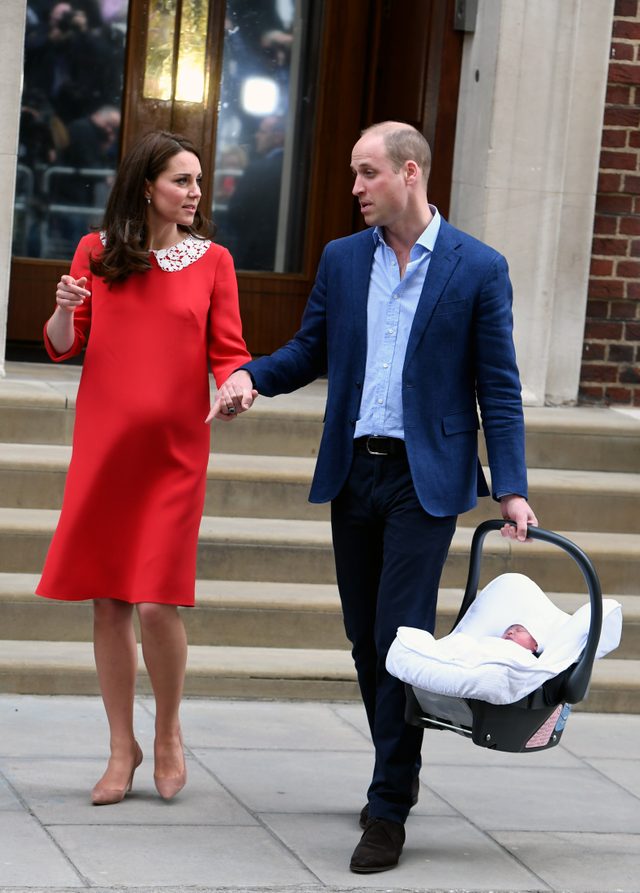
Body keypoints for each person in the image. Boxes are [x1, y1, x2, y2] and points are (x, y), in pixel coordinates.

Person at [209, 121, 538, 873]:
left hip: (425, 482)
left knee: (402, 642)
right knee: (367, 638)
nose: (354, 187)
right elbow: (309, 350)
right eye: (355, 174)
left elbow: (500, 386)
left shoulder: (478, 267)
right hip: (353, 471)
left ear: (409, 173)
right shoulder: (342, 258)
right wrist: (251, 378)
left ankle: (388, 804)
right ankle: (400, 763)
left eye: (366, 173)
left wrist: (511, 487)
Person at [36, 130, 253, 806]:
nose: (195, 192)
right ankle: (119, 747)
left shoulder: (215, 260)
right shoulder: (97, 253)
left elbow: (229, 348)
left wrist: (237, 383)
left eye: (197, 181)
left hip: (175, 452)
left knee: (158, 600)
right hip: (106, 449)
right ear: (147, 186)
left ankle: (166, 732)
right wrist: (65, 309)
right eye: (181, 180)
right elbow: (62, 345)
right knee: (109, 597)